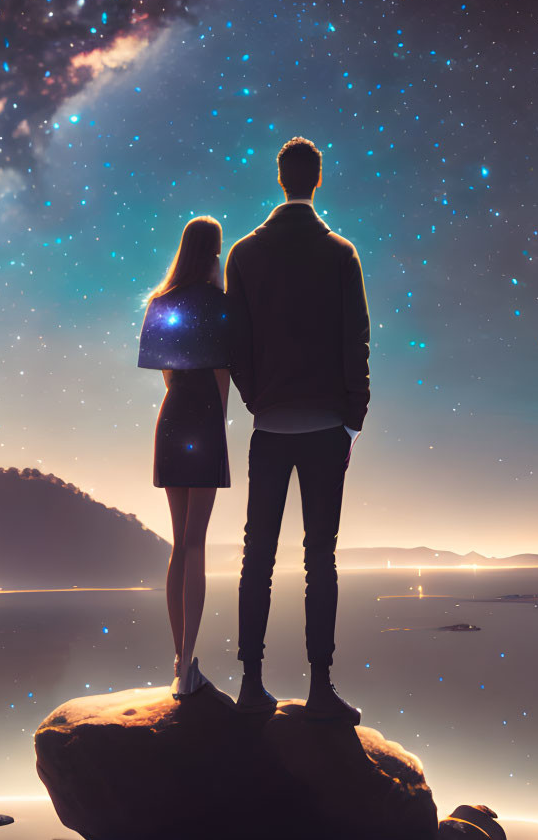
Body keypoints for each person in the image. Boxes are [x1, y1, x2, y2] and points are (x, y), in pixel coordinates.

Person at [225, 136, 370, 723]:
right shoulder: (340, 252)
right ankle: (320, 688)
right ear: (318, 180)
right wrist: (352, 418)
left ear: (280, 178)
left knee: (256, 554)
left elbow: (236, 341)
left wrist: (257, 397)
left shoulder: (244, 253)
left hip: (271, 424)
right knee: (321, 558)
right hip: (326, 426)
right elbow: (355, 339)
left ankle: (251, 684)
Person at [138, 216, 231, 698]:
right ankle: (186, 668)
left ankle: (178, 658)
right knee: (196, 543)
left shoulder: (160, 304)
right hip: (205, 422)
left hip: (172, 419)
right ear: (216, 252)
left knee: (180, 544)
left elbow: (169, 376)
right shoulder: (221, 306)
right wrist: (217, 425)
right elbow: (222, 377)